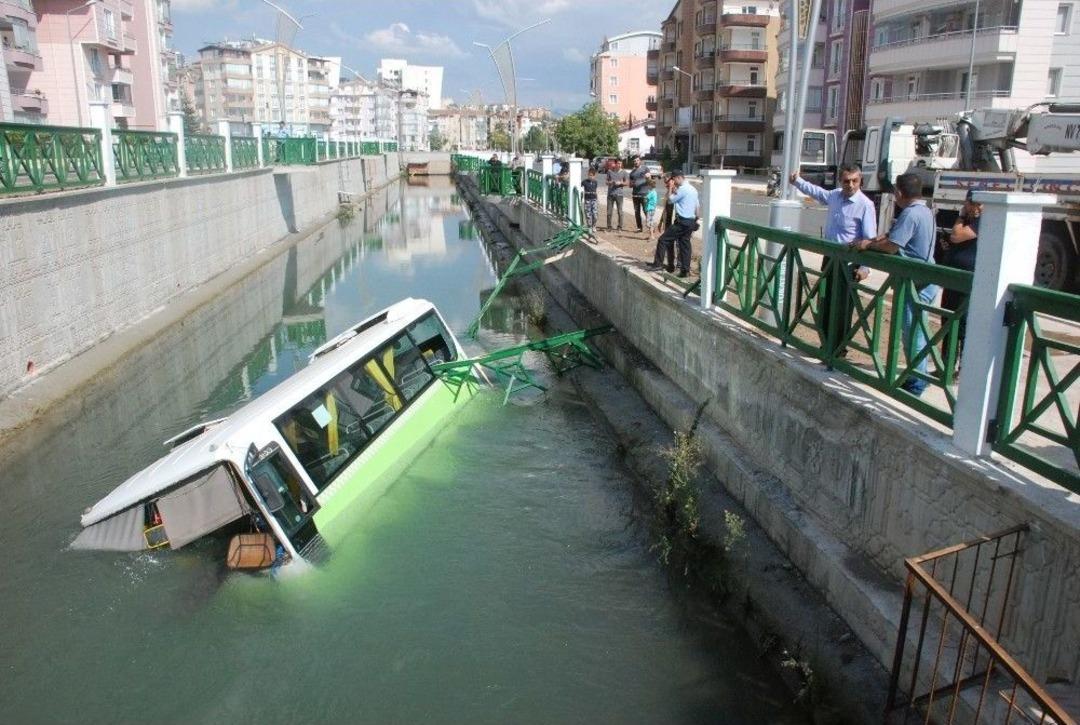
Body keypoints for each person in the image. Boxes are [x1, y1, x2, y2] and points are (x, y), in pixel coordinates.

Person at [851, 173, 939, 396]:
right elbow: (891, 236)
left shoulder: (910, 214)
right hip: (925, 279)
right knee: (916, 330)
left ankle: (916, 384)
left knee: (913, 333)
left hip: (916, 282)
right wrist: (872, 241)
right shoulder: (925, 211)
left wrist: (867, 246)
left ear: (899, 192)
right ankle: (917, 377)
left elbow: (892, 246)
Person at [790, 164, 878, 354]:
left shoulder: (865, 205)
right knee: (825, 301)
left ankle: (838, 349)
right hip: (830, 258)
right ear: (841, 181)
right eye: (847, 181)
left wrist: (864, 268)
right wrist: (797, 181)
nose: (851, 185)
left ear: (860, 180)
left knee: (842, 308)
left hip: (848, 262)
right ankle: (826, 343)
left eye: (855, 181)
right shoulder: (835, 196)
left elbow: (869, 239)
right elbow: (817, 192)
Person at [938, 189, 980, 370]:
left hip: (967, 281)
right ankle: (946, 365)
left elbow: (957, 235)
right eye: (972, 203)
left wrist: (961, 217)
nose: (975, 207)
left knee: (964, 324)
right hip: (953, 279)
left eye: (978, 203)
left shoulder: (982, 221)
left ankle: (963, 368)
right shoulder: (969, 220)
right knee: (948, 320)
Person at [649, 170, 698, 277]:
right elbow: (697, 207)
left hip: (682, 221)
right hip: (690, 221)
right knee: (685, 245)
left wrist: (671, 188)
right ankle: (685, 270)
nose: (673, 182)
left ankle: (658, 264)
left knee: (663, 240)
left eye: (673, 179)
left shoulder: (682, 189)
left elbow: (670, 200)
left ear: (678, 178)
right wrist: (696, 220)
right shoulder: (693, 189)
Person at [606, 159, 630, 231]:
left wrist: (621, 183)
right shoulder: (609, 172)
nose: (619, 165)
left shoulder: (624, 172)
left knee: (620, 212)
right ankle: (609, 227)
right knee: (609, 212)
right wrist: (611, 182)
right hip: (610, 194)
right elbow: (606, 182)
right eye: (618, 163)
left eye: (620, 164)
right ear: (615, 164)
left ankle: (619, 227)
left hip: (619, 194)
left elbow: (627, 183)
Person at [629, 156, 650, 233]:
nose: (636, 162)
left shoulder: (645, 168)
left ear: (640, 161)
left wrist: (648, 177)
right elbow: (630, 185)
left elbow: (649, 179)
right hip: (635, 195)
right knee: (637, 212)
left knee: (646, 211)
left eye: (637, 160)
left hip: (644, 194)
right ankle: (639, 227)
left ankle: (649, 226)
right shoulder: (632, 172)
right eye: (634, 161)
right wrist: (632, 184)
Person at [582, 168, 599, 233]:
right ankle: (589, 226)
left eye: (592, 175)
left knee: (595, 214)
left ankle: (594, 225)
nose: (590, 176)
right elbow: (580, 188)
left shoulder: (595, 182)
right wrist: (585, 193)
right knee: (588, 214)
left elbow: (596, 190)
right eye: (589, 175)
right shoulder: (584, 182)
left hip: (594, 199)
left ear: (594, 176)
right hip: (587, 200)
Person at [643, 175, 659, 242]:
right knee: (650, 221)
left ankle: (652, 235)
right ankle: (651, 234)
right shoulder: (654, 192)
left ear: (650, 186)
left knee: (648, 223)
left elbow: (646, 199)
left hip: (649, 209)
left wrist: (644, 199)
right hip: (652, 209)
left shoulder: (651, 192)